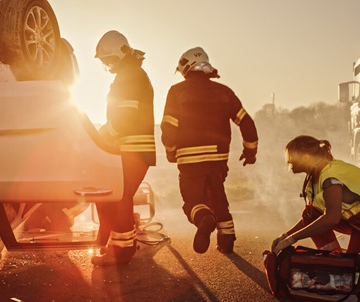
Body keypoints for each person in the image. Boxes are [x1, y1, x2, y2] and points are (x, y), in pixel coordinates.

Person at [161, 47, 258, 254]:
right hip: (218, 158)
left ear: (185, 68)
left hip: (188, 159)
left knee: (193, 201)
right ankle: (226, 239)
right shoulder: (224, 92)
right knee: (218, 196)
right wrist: (250, 152)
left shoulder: (177, 92)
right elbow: (246, 123)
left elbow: (168, 127)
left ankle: (204, 219)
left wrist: (171, 151)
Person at [91, 30, 156, 266]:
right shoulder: (134, 73)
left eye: (108, 59)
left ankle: (120, 252)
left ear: (120, 54)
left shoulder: (129, 76)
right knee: (117, 195)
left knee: (119, 195)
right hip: (135, 148)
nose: (107, 65)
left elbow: (125, 118)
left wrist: (101, 135)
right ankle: (117, 243)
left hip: (133, 148)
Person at [272, 135, 360, 254]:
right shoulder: (315, 176)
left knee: (352, 267)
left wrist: (293, 238)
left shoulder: (330, 176)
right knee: (310, 214)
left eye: (292, 156)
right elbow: (313, 216)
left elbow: (331, 219)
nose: (288, 161)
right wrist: (286, 236)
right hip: (356, 223)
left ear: (306, 157)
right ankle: (333, 258)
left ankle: (343, 264)